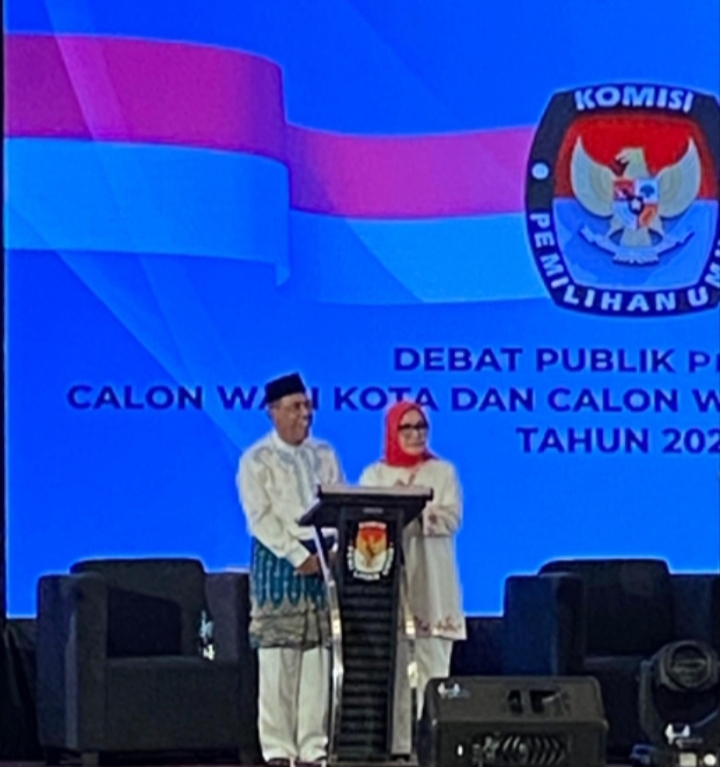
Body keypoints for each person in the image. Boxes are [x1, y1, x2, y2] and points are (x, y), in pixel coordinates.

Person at [237, 373, 343, 767]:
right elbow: (260, 518)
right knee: (279, 658)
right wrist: (297, 556)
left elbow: (338, 501)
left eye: (307, 406)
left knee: (317, 656)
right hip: (279, 559)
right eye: (296, 407)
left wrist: (331, 550)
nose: (305, 414)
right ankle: (278, 749)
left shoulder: (324, 454)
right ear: (274, 412)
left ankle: (313, 747)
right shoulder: (256, 460)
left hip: (323, 557)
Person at [359, 401, 465, 755]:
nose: (417, 434)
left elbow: (451, 517)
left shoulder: (443, 472)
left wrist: (411, 513)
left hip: (433, 583)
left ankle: (434, 746)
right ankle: (399, 747)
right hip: (391, 581)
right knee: (396, 673)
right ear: (392, 431)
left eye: (422, 427)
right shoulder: (375, 475)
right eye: (407, 428)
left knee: (434, 669)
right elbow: (366, 521)